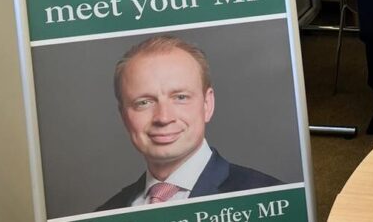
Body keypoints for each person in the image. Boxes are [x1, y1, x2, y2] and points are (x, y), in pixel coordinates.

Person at [98, 36, 280, 211]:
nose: (163, 117)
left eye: (180, 97)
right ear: (123, 116)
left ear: (207, 104)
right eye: (144, 102)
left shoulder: (269, 199)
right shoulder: (104, 214)